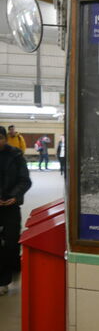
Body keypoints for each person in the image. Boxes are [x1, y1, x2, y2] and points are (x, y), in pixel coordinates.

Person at [0, 126, 31, 295]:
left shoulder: (16, 155)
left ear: (5, 139)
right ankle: (3, 281)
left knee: (11, 242)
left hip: (11, 206)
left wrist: (15, 196)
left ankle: (13, 266)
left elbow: (25, 180)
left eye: (0, 138)